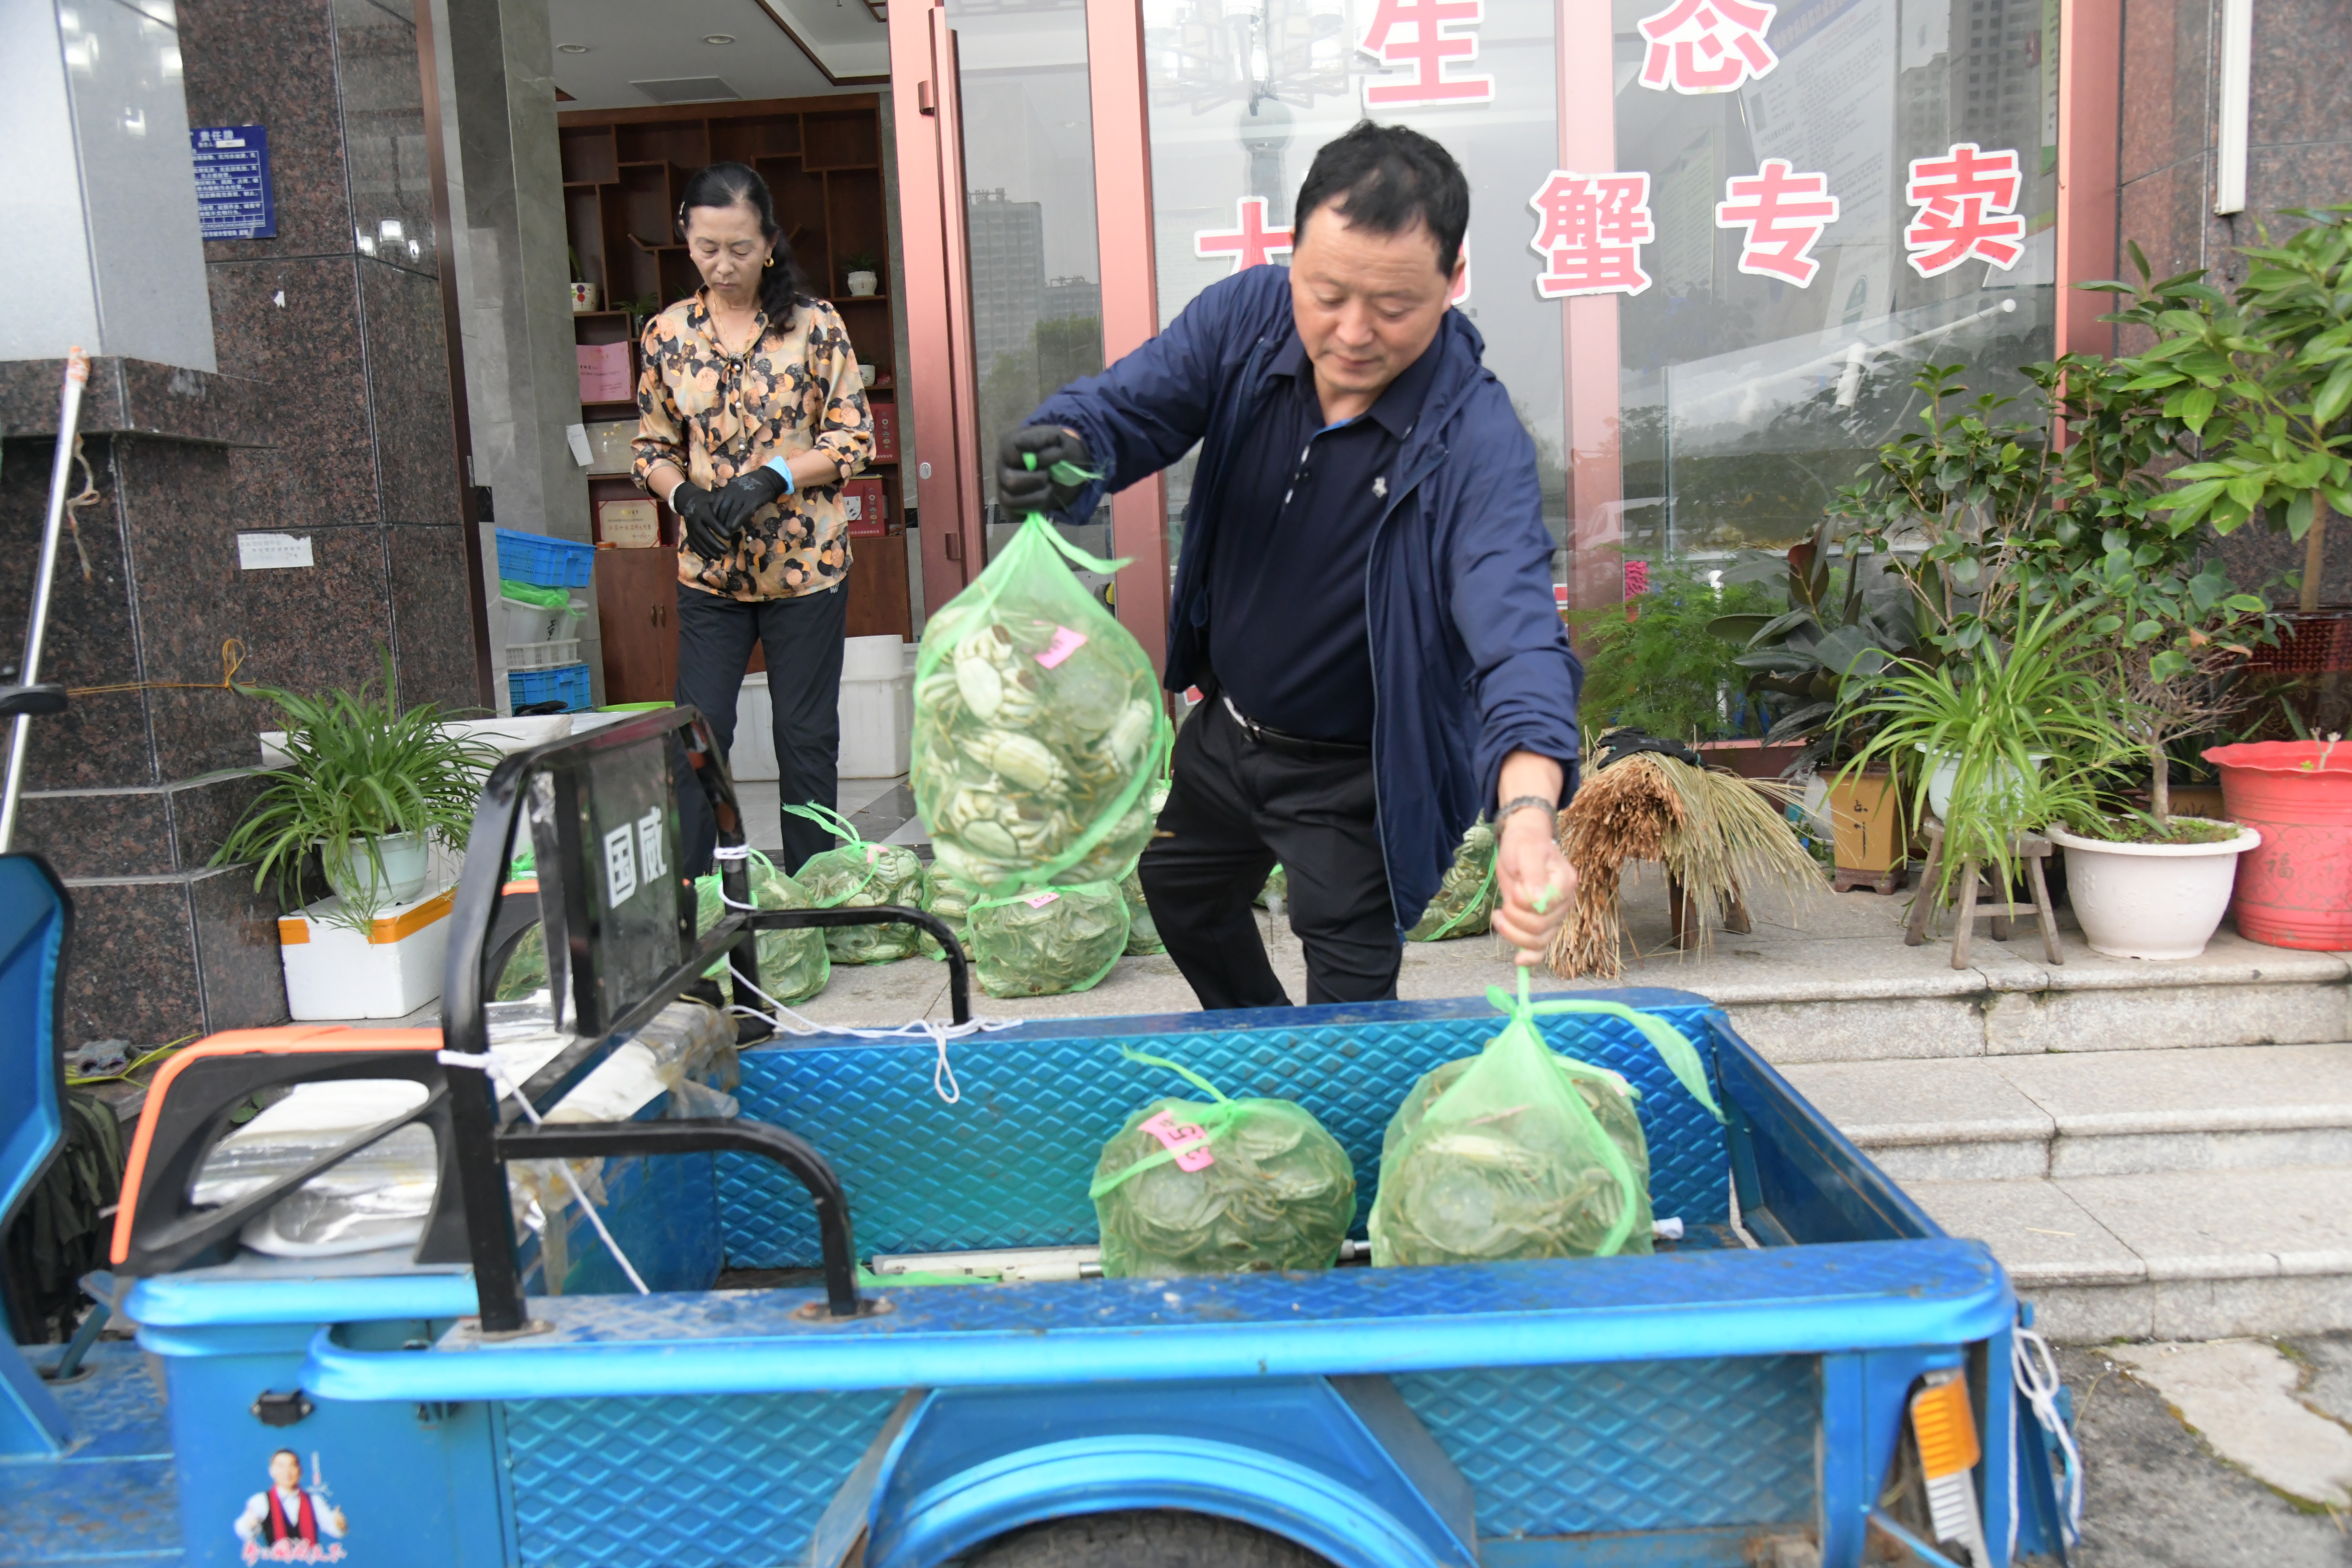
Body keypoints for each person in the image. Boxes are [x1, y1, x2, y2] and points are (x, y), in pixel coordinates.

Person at [1000, 122, 1581, 1008]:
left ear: (1453, 281)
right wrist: (1066, 447)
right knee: (1183, 894)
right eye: (1326, 293)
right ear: (1293, 252)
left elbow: (1518, 638)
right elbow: (1128, 409)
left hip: (1356, 775)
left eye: (1393, 306)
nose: (1352, 333)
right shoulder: (1246, 321)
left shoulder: (1475, 440)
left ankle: (1338, 1104)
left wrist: (1530, 816)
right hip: (1228, 729)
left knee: (1349, 1002)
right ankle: (1265, 1068)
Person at [634, 161, 876, 875]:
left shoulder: (816, 325)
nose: (723, 264)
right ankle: (701, 894)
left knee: (805, 736)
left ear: (769, 242)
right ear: (686, 237)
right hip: (710, 573)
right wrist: (686, 497)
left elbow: (852, 437)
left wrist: (773, 477)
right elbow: (650, 446)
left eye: (740, 248)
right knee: (700, 733)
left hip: (807, 569)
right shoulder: (667, 334)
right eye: (707, 247)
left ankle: (814, 889)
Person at [232, 1449, 347, 1559]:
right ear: (272, 1471)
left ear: (300, 1470)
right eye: (281, 1466)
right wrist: (250, 1524)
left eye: (292, 1466)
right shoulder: (261, 1501)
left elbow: (333, 1527)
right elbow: (243, 1531)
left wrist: (339, 1524)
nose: (287, 1472)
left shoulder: (314, 1500)